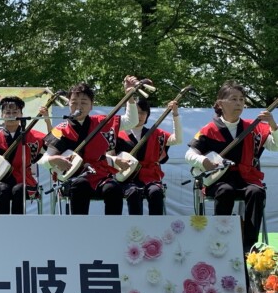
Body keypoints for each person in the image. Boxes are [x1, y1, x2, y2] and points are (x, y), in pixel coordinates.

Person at [185, 81, 278, 252]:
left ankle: (249, 245)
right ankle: (220, 242)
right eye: (234, 99)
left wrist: (273, 125)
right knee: (225, 190)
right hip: (220, 180)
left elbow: (275, 146)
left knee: (256, 192)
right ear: (220, 103)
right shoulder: (209, 129)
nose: (239, 103)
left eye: (241, 99)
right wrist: (203, 161)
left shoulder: (254, 127)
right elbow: (190, 154)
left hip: (246, 178)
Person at [39, 77, 140, 215]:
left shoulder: (101, 122)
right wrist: (53, 160)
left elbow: (131, 121)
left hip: (100, 176)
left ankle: (112, 226)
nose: (78, 106)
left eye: (84, 102)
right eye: (74, 102)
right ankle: (79, 226)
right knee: (81, 184)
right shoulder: (60, 129)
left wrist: (129, 96)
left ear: (92, 105)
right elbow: (44, 160)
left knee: (114, 188)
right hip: (74, 178)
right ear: (68, 104)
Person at [0, 96, 48, 214]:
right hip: (0, 180)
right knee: (3, 189)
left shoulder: (32, 136)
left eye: (15, 112)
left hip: (24, 179)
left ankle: (17, 224)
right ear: (2, 115)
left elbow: (52, 142)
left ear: (21, 114)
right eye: (8, 112)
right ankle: (2, 224)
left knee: (19, 189)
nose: (11, 115)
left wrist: (47, 120)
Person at [116, 98, 182, 215]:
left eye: (143, 112)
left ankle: (156, 225)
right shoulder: (118, 134)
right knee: (133, 192)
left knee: (156, 192)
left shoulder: (156, 134)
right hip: (127, 179)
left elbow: (177, 140)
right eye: (136, 112)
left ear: (147, 115)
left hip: (150, 177)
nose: (139, 116)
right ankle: (135, 225)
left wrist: (175, 114)